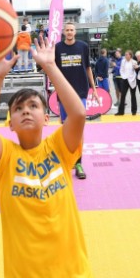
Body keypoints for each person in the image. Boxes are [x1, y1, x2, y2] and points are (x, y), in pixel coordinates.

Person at [0, 37, 91, 278]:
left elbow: (78, 114)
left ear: (47, 118)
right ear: (11, 125)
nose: (25, 110)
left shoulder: (59, 147)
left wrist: (50, 66)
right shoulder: (6, 158)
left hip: (72, 270)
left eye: (33, 106)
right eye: (18, 109)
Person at [55, 22, 97, 179]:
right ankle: (67, 160)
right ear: (64, 32)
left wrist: (94, 89)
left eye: (72, 30)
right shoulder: (57, 48)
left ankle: (79, 162)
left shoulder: (83, 47)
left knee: (78, 129)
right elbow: (54, 70)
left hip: (80, 92)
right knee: (65, 128)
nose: (70, 32)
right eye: (67, 30)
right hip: (64, 93)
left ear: (75, 31)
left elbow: (88, 68)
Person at [118, 51, 139, 116]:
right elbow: (121, 70)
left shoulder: (134, 62)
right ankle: (121, 111)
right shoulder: (123, 61)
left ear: (130, 55)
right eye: (125, 55)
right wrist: (123, 76)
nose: (126, 56)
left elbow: (136, 71)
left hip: (132, 80)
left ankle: (134, 111)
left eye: (127, 55)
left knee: (133, 96)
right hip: (125, 79)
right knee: (123, 95)